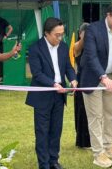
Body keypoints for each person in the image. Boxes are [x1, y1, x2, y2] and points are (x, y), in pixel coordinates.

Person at [80, 3, 112, 168]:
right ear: (108, 15)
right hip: (92, 78)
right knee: (96, 117)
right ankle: (98, 154)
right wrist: (103, 77)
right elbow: (91, 56)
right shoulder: (93, 30)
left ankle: (108, 147)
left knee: (109, 114)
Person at [25, 17, 77, 169]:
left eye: (62, 34)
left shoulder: (63, 47)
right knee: (42, 131)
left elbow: (68, 67)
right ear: (47, 34)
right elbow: (37, 73)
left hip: (59, 95)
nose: (60, 38)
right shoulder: (35, 48)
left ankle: (54, 161)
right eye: (57, 35)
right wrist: (53, 84)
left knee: (56, 130)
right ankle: (44, 164)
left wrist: (73, 79)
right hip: (43, 95)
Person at [73, 22, 91, 149]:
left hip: (92, 80)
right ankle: (83, 141)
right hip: (81, 80)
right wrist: (85, 36)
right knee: (82, 111)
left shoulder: (93, 46)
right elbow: (78, 48)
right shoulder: (77, 46)